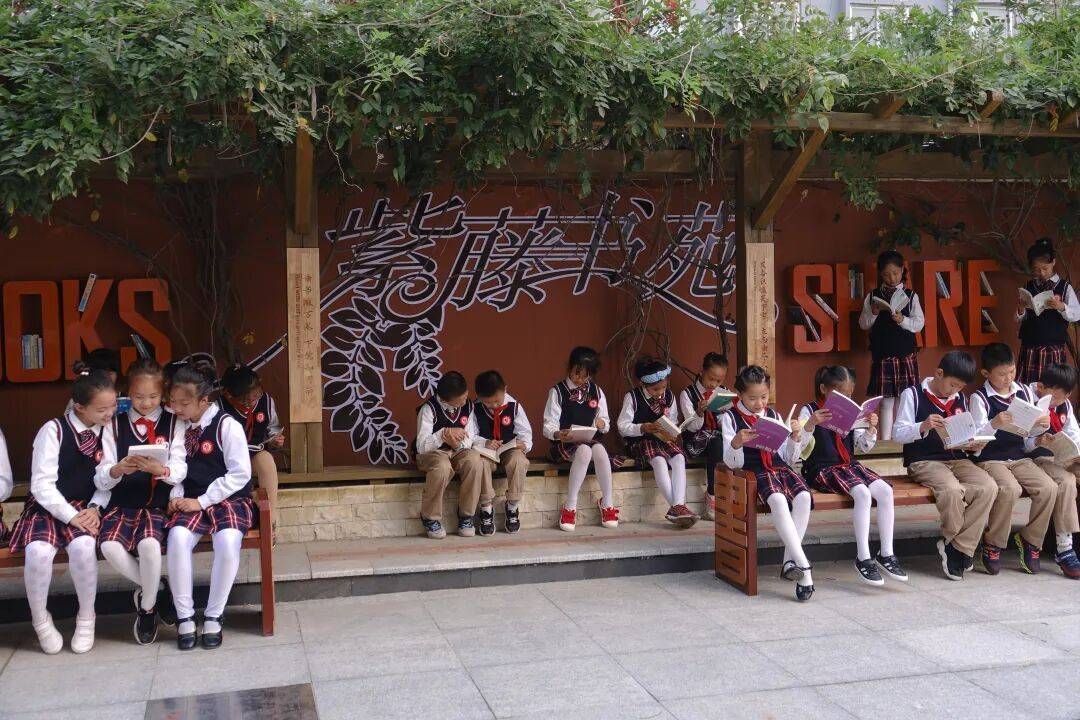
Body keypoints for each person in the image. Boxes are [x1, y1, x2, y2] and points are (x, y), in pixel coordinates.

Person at [8, 370, 115, 654]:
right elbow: (41, 485)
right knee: (38, 552)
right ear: (79, 407)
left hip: (87, 507)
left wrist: (95, 507)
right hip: (48, 507)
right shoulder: (53, 430)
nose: (109, 413)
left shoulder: (109, 430)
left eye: (113, 406)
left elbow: (109, 478)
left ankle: (87, 618)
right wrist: (70, 516)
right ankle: (40, 620)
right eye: (101, 409)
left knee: (83, 547)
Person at [165, 361, 255, 650]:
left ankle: (215, 614)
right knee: (177, 537)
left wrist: (202, 501)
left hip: (228, 499)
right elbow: (176, 468)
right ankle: (184, 616)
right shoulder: (178, 427)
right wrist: (176, 496)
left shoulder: (227, 426)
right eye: (173, 402)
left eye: (184, 403)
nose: (177, 408)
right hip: (191, 499)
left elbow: (240, 474)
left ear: (204, 400)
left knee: (227, 541)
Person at [95, 359, 186, 644]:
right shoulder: (114, 425)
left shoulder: (174, 422)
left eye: (153, 396)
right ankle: (159, 589)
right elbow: (102, 472)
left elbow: (181, 465)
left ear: (163, 393)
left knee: (149, 546)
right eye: (138, 397)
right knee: (108, 546)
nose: (146, 403)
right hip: (122, 503)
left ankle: (147, 608)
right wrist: (116, 469)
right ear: (127, 393)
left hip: (157, 504)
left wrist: (163, 470)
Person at [893, 350, 998, 581]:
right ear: (939, 373)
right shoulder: (913, 394)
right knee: (951, 490)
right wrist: (923, 426)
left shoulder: (960, 398)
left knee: (988, 487)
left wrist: (973, 444)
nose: (955, 391)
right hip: (924, 460)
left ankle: (957, 546)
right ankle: (958, 546)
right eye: (952, 385)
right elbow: (897, 433)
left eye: (960, 387)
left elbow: (967, 431)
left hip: (957, 457)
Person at [800, 365, 906, 585]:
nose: (846, 399)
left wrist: (870, 430)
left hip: (849, 466)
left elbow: (862, 447)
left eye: (849, 395)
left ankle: (886, 553)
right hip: (822, 468)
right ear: (823, 389)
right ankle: (863, 557)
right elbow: (800, 449)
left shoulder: (851, 412)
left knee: (885, 491)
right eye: (839, 394)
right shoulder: (809, 411)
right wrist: (810, 424)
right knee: (862, 493)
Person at [722, 365, 815, 601]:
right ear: (740, 394)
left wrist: (795, 438)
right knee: (778, 499)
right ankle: (804, 566)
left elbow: (788, 457)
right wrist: (736, 443)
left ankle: (789, 562)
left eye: (763, 397)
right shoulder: (730, 417)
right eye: (752, 398)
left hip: (779, 468)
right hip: (754, 472)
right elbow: (731, 463)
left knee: (804, 497)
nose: (759, 403)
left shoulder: (774, 415)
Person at [969, 343, 1057, 575]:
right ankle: (993, 544)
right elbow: (975, 440)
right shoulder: (979, 398)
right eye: (1002, 374)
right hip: (991, 459)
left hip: (1019, 457)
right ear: (986, 373)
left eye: (1012, 371)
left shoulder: (1024, 392)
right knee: (1009, 489)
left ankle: (1031, 540)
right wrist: (994, 424)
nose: (1008, 378)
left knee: (1048, 488)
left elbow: (1027, 440)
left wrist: (1040, 431)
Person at [542, 346, 619, 532]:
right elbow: (548, 426)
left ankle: (607, 503)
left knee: (599, 449)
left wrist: (601, 423)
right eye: (577, 374)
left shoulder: (596, 391)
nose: (580, 379)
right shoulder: (558, 391)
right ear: (570, 367)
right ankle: (570, 506)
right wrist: (558, 434)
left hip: (589, 440)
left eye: (586, 376)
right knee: (584, 451)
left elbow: (606, 422)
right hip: (565, 444)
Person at [618, 358, 697, 528]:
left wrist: (672, 431)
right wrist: (642, 427)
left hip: (663, 440)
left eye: (663, 387)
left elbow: (673, 419)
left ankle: (678, 506)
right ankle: (678, 507)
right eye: (655, 389)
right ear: (643, 384)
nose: (660, 392)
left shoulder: (669, 396)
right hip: (642, 441)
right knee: (659, 461)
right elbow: (622, 426)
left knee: (679, 458)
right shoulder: (632, 397)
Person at [858, 250, 925, 440]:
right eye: (887, 274)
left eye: (895, 273)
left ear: (902, 270)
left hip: (905, 354)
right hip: (883, 355)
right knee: (886, 402)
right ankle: (886, 442)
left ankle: (901, 438)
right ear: (880, 274)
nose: (892, 278)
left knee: (904, 400)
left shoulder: (911, 296)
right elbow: (863, 324)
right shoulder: (873, 296)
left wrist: (903, 320)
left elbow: (919, 323)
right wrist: (873, 313)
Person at [415, 371, 489, 539]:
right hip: (433, 454)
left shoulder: (467, 406)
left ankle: (466, 516)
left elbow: (470, 437)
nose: (464, 401)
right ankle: (430, 517)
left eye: (465, 396)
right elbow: (421, 446)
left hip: (457, 451)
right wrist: (443, 434)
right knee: (442, 466)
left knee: (474, 461)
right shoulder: (429, 409)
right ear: (445, 399)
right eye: (460, 400)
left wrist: (457, 444)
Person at [1026, 363, 1080, 579]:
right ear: (1040, 387)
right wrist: (1038, 440)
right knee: (1066, 481)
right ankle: (1065, 547)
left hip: (1060, 457)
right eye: (1054, 397)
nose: (1057, 402)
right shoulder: (1027, 399)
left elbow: (1074, 434)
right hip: (1035, 457)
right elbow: (1020, 444)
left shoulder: (1064, 404)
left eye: (1063, 397)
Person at [471, 370, 533, 534]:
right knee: (480, 463)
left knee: (519, 461)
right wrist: (484, 442)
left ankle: (512, 505)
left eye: (496, 401)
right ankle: (486, 508)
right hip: (486, 452)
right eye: (488, 403)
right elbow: (470, 435)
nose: (493, 406)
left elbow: (525, 433)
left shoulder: (514, 406)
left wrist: (524, 445)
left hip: (508, 450)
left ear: (505, 389)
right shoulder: (475, 408)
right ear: (479, 397)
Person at [218, 364, 284, 512]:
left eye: (256, 394)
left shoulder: (266, 401)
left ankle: (270, 518)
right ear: (228, 394)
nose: (252, 400)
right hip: (228, 458)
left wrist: (275, 440)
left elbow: (273, 428)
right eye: (245, 399)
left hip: (255, 454)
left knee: (266, 461)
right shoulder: (219, 407)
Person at [1017, 238, 1080, 384]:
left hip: (1053, 348)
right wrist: (1021, 309)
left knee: (1052, 386)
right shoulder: (1028, 286)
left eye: (1045, 268)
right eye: (1037, 269)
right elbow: (1021, 318)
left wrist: (1062, 306)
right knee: (1028, 387)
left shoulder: (1064, 287)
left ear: (1053, 262)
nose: (1041, 272)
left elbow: (1077, 314)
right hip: (1030, 346)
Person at [679, 352, 730, 520]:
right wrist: (699, 413)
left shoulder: (723, 392)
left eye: (718, 381)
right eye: (711, 379)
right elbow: (691, 427)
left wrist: (725, 413)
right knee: (717, 442)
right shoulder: (687, 394)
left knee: (724, 441)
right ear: (702, 372)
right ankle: (712, 495)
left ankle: (730, 495)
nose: (713, 384)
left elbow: (724, 424)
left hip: (717, 439)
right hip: (695, 441)